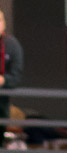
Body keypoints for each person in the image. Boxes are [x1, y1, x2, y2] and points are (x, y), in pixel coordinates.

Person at [0, 7, 24, 144]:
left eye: (0, 20)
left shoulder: (12, 45)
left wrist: (3, 80)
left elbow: (16, 77)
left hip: (1, 103)